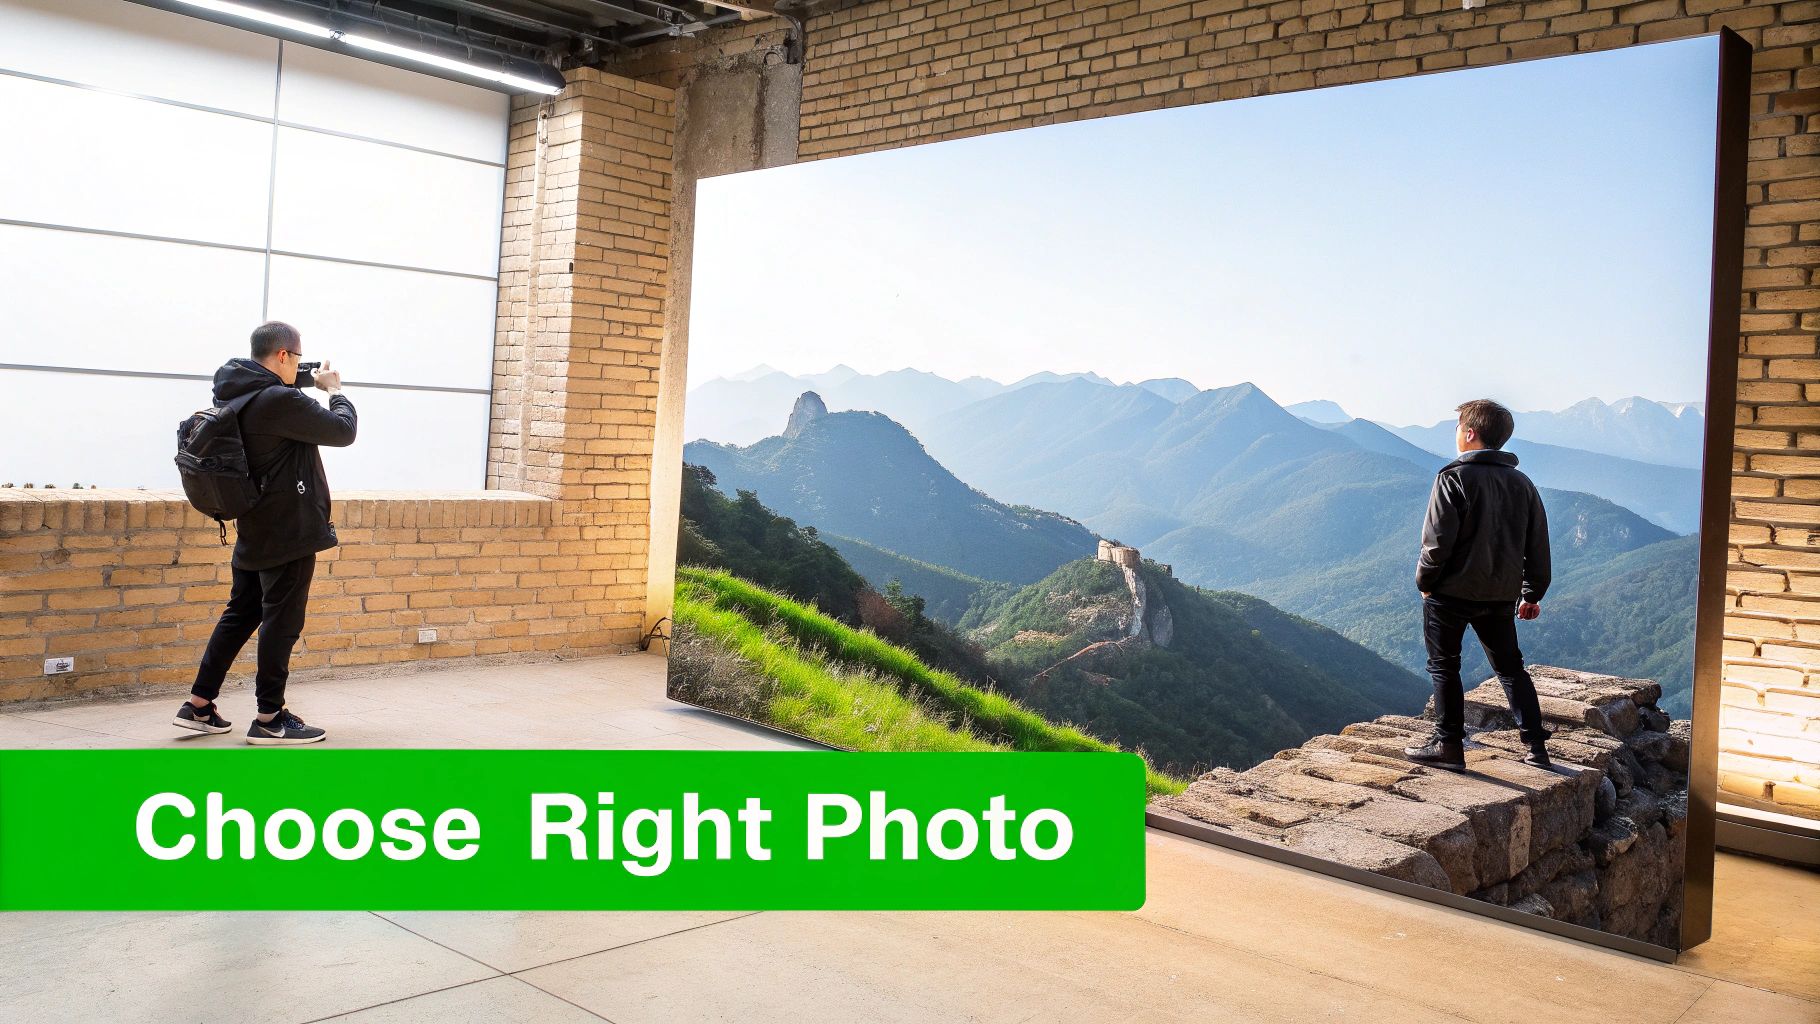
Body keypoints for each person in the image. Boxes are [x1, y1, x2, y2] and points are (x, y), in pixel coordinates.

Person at [173, 321, 356, 745]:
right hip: (289, 529)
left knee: (240, 615)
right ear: (282, 357)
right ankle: (270, 718)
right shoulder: (278, 399)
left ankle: (199, 705)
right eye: (296, 357)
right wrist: (334, 391)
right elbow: (343, 431)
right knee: (281, 623)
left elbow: (279, 394)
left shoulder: (237, 392)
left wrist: (304, 378)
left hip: (253, 525)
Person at [1404, 398, 1553, 772]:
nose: (1455, 434)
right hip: (1500, 594)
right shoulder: (1523, 484)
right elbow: (1537, 544)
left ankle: (1448, 746)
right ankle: (1536, 746)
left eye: (1457, 428)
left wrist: (1425, 582)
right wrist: (1532, 593)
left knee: (1444, 667)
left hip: (1449, 594)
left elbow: (1436, 544)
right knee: (1510, 668)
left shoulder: (1452, 478)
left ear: (1469, 433)